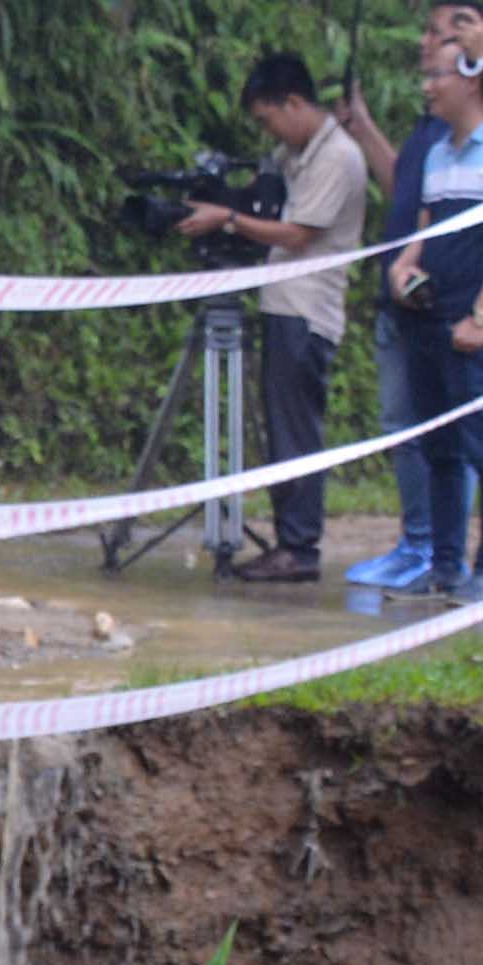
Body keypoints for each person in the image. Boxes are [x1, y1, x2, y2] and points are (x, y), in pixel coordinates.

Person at [182, 52, 373, 581]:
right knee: (282, 426)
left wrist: (227, 218)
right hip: (283, 304)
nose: (269, 131)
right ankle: (291, 539)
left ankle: (299, 546)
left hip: (307, 311)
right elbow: (270, 205)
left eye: (268, 118)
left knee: (295, 430)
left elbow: (297, 234)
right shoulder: (298, 154)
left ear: (294, 102)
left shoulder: (337, 157)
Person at [374, 16, 483, 599]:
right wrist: (403, 266)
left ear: (470, 79)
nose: (426, 87)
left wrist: (482, 316)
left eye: (436, 76)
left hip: (475, 323)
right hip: (426, 318)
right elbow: (425, 224)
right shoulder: (439, 154)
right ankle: (446, 565)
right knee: (439, 447)